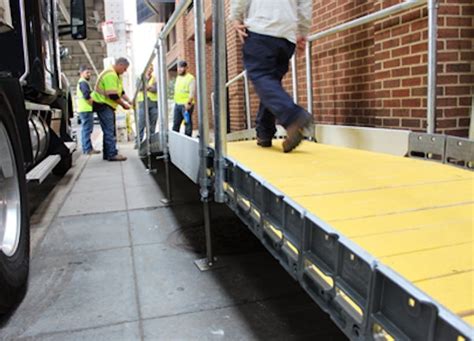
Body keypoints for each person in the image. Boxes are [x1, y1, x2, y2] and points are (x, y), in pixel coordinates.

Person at [230, 0, 313, 153]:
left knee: (261, 77)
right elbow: (305, 4)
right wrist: (302, 31)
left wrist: (235, 17)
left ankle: (294, 116)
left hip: (261, 29)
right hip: (286, 38)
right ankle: (265, 132)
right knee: (270, 83)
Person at [91, 57, 132, 161]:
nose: (125, 71)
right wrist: (124, 104)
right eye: (125, 68)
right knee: (109, 130)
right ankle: (112, 154)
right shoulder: (110, 74)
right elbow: (112, 95)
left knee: (107, 130)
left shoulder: (116, 75)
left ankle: (107, 153)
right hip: (103, 104)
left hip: (105, 105)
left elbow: (120, 92)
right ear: (120, 65)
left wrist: (129, 100)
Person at [76, 65, 100, 155]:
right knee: (87, 130)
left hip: (84, 109)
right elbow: (86, 96)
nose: (89, 74)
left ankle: (87, 148)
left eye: (90, 73)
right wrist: (94, 105)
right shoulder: (83, 82)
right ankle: (88, 149)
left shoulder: (82, 82)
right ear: (81, 73)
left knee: (86, 129)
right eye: (87, 73)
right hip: (86, 109)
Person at [136, 64, 158, 148]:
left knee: (152, 123)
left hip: (153, 103)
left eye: (151, 69)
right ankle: (138, 142)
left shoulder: (155, 78)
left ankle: (150, 142)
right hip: (142, 102)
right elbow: (140, 87)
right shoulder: (139, 77)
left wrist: (146, 87)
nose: (150, 70)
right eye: (148, 68)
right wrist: (149, 87)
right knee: (141, 123)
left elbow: (155, 89)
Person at [172, 60, 196, 137]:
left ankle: (188, 139)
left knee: (187, 123)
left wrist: (188, 103)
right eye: (179, 67)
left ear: (186, 68)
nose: (179, 69)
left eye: (182, 67)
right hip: (177, 104)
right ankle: (175, 140)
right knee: (176, 123)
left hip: (186, 105)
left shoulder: (190, 78)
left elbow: (192, 93)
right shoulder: (178, 77)